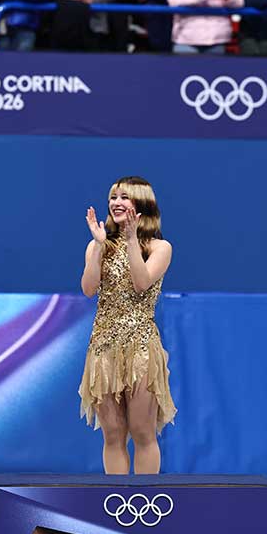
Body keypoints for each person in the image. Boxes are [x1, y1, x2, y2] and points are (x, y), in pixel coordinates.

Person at [79, 176, 177, 474]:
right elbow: (88, 288)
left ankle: (144, 503)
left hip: (141, 348)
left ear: (141, 203)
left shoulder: (159, 247)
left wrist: (132, 240)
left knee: (142, 431)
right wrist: (98, 247)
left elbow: (141, 284)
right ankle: (116, 501)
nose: (116, 203)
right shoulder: (98, 245)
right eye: (113, 197)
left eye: (124, 197)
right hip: (103, 347)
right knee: (113, 433)